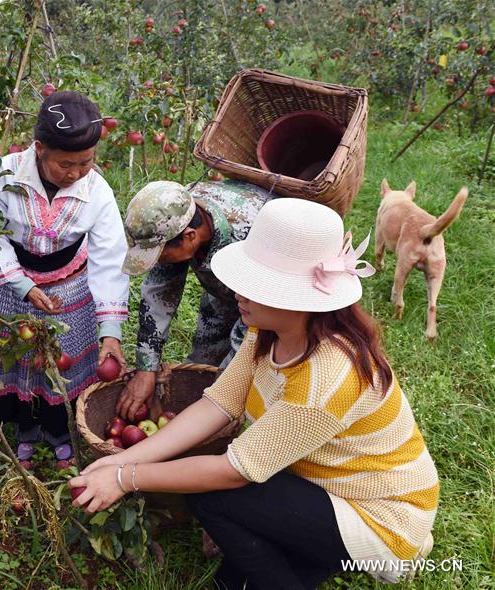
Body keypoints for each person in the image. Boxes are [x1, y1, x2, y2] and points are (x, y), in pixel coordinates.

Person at [71, 199, 439, 589]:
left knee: (214, 496)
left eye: (255, 285)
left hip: (380, 514)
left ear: (297, 299)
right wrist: (124, 460)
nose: (237, 293)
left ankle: (352, 560)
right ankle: (299, 560)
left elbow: (233, 473)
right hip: (326, 484)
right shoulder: (267, 332)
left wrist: (127, 477)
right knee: (236, 546)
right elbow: (218, 404)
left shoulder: (327, 376)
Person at [0, 91, 129, 469]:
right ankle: (25, 430)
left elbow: (110, 260)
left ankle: (61, 432)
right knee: (19, 356)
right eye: (65, 164)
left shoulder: (98, 193)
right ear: (39, 148)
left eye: (86, 162)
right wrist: (22, 286)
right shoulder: (4, 175)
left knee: (66, 362)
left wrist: (110, 331)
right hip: (14, 283)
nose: (75, 172)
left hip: (69, 287)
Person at [117, 180, 273, 422]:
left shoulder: (252, 237)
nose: (159, 261)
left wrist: (224, 392)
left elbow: (255, 324)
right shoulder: (176, 212)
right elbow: (159, 295)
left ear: (190, 237)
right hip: (222, 294)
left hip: (270, 305)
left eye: (161, 254)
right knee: (201, 366)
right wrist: (146, 367)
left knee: (233, 384)